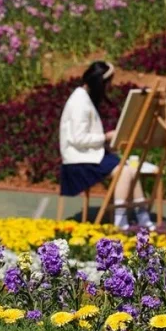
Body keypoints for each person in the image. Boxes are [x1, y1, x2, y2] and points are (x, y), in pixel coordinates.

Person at [59, 61, 152, 230]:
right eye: (108, 83)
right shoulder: (79, 102)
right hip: (78, 160)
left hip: (89, 154)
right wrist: (106, 137)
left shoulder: (83, 97)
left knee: (130, 168)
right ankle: (120, 220)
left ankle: (142, 216)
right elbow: (78, 139)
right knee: (122, 171)